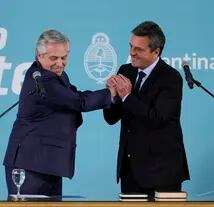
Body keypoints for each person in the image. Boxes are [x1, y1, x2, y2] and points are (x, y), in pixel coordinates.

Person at [3, 29, 115, 196]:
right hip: (29, 165)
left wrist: (108, 92)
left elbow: (75, 96)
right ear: (38, 55)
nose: (60, 63)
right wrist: (112, 92)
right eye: (53, 58)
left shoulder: (57, 76)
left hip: (47, 162)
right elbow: (79, 102)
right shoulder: (41, 79)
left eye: (64, 57)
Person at [104, 21, 190, 197]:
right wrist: (113, 96)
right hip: (130, 171)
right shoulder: (126, 71)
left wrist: (127, 96)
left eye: (139, 49)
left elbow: (157, 118)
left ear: (156, 51)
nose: (131, 53)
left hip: (162, 172)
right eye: (131, 46)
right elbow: (111, 118)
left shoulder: (171, 78)